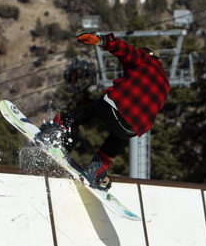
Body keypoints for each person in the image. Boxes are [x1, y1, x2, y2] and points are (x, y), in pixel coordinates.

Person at [34, 31, 170, 190]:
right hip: (134, 128)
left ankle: (52, 131)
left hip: (116, 106)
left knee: (87, 112)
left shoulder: (144, 59)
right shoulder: (166, 84)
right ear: (160, 60)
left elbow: (124, 50)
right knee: (116, 139)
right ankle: (95, 170)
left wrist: (101, 41)